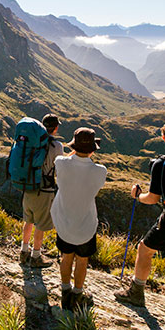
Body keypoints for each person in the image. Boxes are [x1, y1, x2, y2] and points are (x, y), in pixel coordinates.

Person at [114, 118, 165, 314]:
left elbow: (152, 199)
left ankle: (136, 292)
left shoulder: (162, 163)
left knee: (144, 249)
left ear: (163, 138)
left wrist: (137, 196)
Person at [51, 127, 107, 310]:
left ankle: (65, 290)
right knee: (82, 260)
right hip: (86, 225)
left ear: (73, 147)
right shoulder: (100, 171)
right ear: (93, 150)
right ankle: (77, 293)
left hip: (64, 222)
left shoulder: (61, 163)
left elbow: (64, 160)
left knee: (66, 257)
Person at [20, 113, 65, 268]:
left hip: (28, 186)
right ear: (56, 128)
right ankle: (36, 256)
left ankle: (24, 251)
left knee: (29, 220)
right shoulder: (57, 146)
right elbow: (59, 169)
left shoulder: (32, 141)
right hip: (44, 190)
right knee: (40, 224)